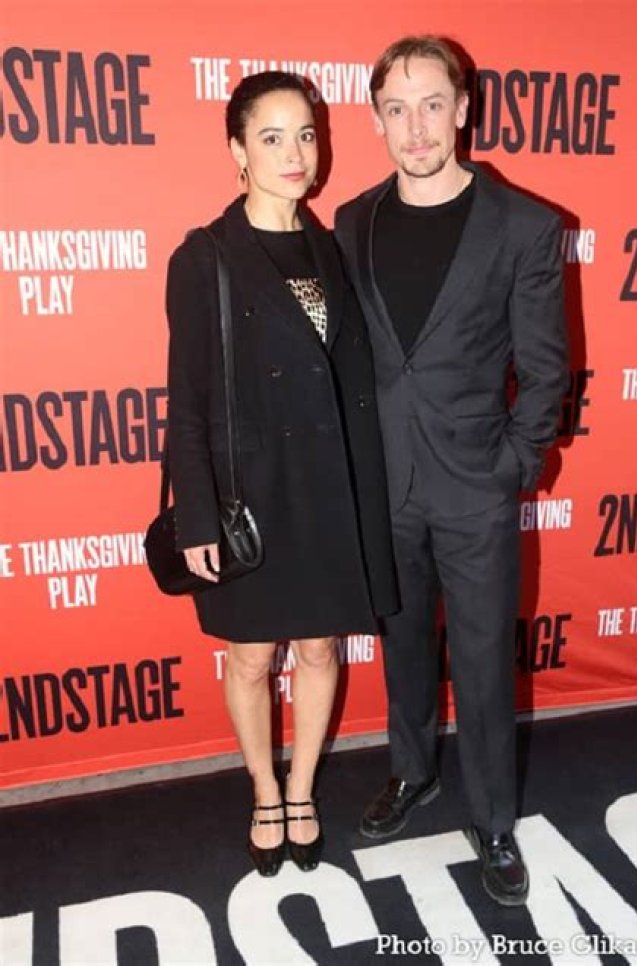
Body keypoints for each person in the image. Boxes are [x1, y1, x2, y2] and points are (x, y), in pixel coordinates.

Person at [334, 36, 567, 906]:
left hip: (475, 487)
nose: (417, 127)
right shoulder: (352, 222)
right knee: (401, 644)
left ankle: (495, 819)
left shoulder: (524, 225)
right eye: (397, 109)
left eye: (432, 104)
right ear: (376, 120)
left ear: (463, 108)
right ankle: (411, 770)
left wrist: (511, 467)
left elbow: (545, 370)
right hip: (384, 483)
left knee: (481, 658)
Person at [165, 71, 398, 877]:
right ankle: (264, 789)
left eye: (305, 134)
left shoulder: (332, 248)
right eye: (272, 137)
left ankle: (303, 790)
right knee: (252, 658)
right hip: (253, 495)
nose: (295, 153)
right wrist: (197, 514)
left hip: (328, 489)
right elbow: (186, 398)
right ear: (238, 150)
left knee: (321, 649)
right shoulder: (205, 257)